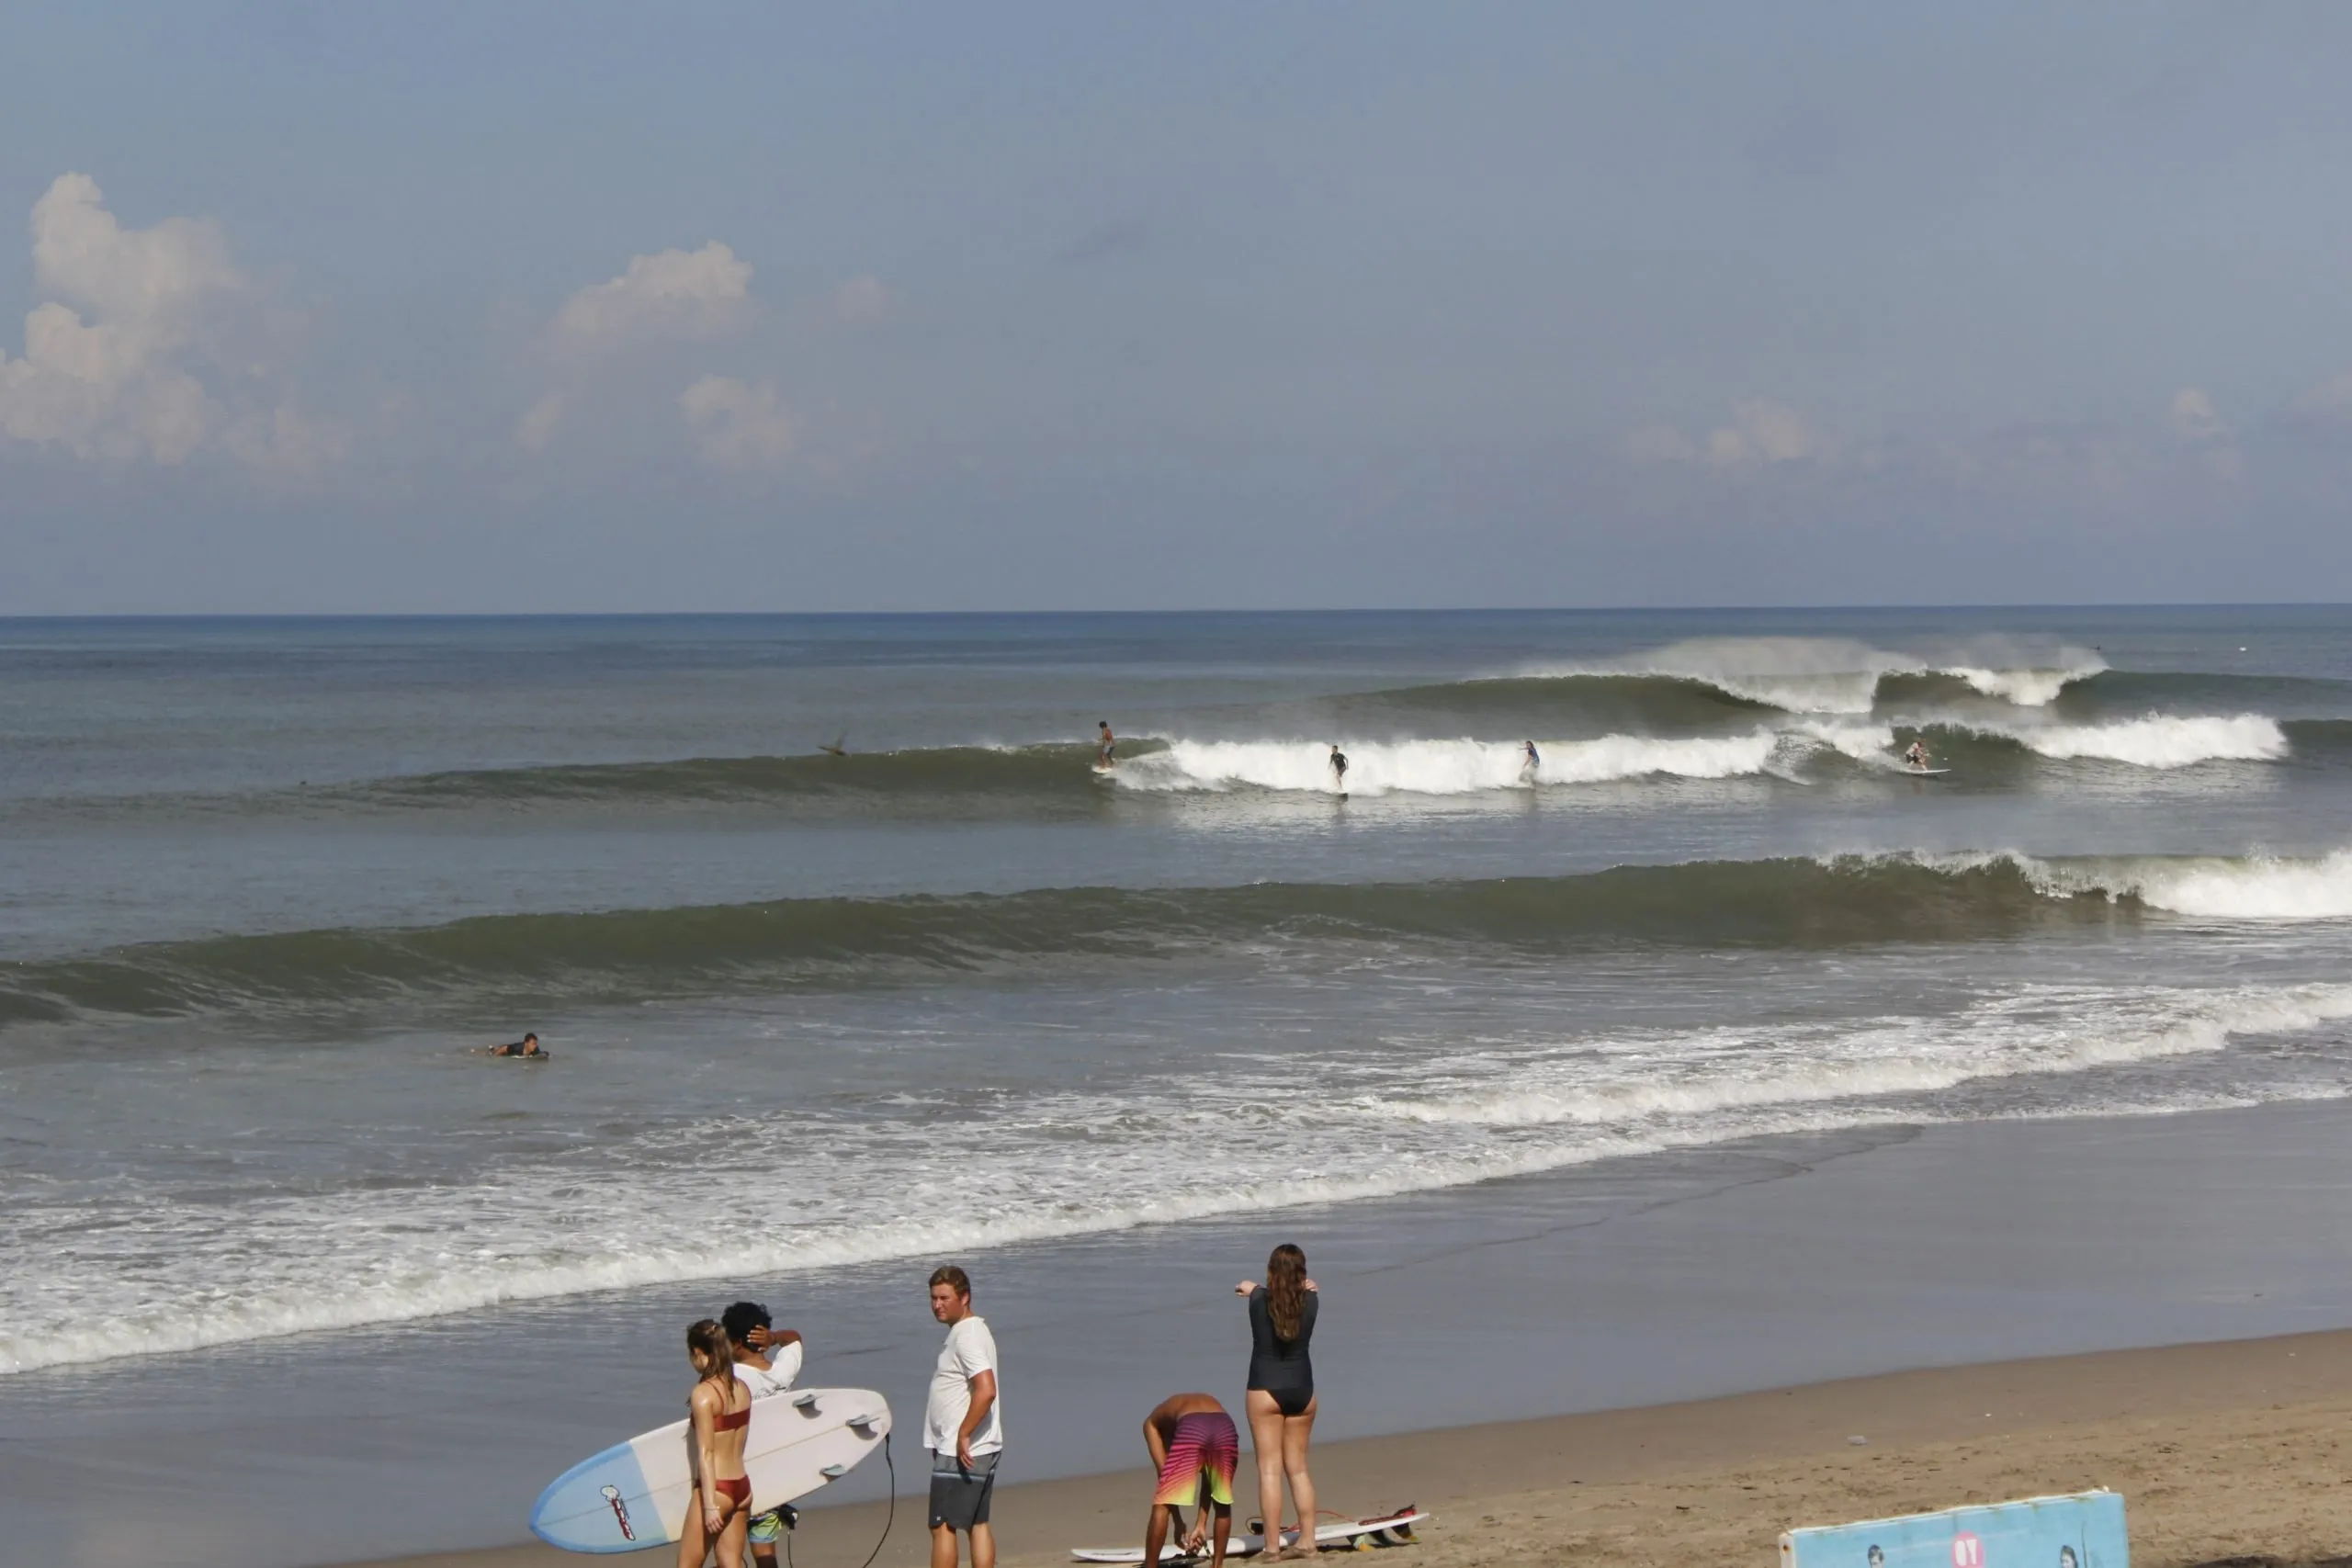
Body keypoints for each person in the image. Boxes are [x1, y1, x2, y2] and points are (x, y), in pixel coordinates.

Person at [1235, 1246, 1318, 1560]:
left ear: (1271, 1272)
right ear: (1303, 1274)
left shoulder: (1258, 1300)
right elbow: (1299, 1293)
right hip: (1303, 1390)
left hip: (1264, 1389)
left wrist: (1250, 1286)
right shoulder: (1313, 1301)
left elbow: (1255, 1289)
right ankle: (1308, 1540)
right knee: (1297, 1469)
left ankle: (1271, 1548)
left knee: (1269, 1470)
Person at [925, 1266, 1001, 1568]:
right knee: (977, 1522)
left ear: (965, 1298)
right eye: (933, 1298)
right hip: (981, 1445)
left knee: (942, 1525)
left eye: (945, 1298)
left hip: (963, 1449)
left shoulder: (967, 1335)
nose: (937, 1305)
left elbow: (986, 1389)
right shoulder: (971, 1331)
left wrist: (963, 1433)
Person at [723, 1302, 808, 1566]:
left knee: (729, 1556)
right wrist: (774, 1338)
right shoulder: (782, 1372)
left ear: (736, 1343)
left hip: (737, 1482)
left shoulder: (732, 1378)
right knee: (765, 1552)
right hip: (773, 1483)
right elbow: (793, 1338)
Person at [678, 1318, 754, 1568]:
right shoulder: (742, 1388)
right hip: (742, 1488)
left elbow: (707, 1453)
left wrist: (710, 1505)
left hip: (717, 1490)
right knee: (730, 1564)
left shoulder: (703, 1395)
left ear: (699, 1353)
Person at [1140, 1393, 1238, 1568]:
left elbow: (1165, 1482)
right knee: (1222, 1501)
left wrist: (1178, 1523)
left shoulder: (1151, 1425)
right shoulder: (1180, 1408)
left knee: (1162, 1503)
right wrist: (1201, 1524)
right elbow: (1209, 1482)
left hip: (1192, 1426)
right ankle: (1217, 1566)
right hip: (1224, 1425)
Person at [476, 1032, 544, 1058]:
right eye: (533, 1044)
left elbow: (542, 1055)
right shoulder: (517, 1048)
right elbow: (505, 1048)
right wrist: (495, 1056)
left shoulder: (536, 1050)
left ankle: (492, 1048)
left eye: (535, 1044)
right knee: (489, 1053)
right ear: (526, 1043)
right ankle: (476, 1052)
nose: (535, 1046)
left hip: (510, 1051)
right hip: (505, 1049)